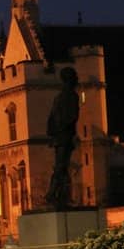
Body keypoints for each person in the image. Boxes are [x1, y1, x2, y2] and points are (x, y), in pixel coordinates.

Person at [44, 67, 80, 210]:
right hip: (65, 136)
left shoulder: (58, 97)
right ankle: (52, 193)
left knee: (62, 167)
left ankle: (60, 195)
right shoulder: (72, 96)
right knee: (61, 166)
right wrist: (67, 132)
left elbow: (51, 119)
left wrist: (53, 134)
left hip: (59, 137)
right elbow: (72, 117)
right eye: (75, 77)